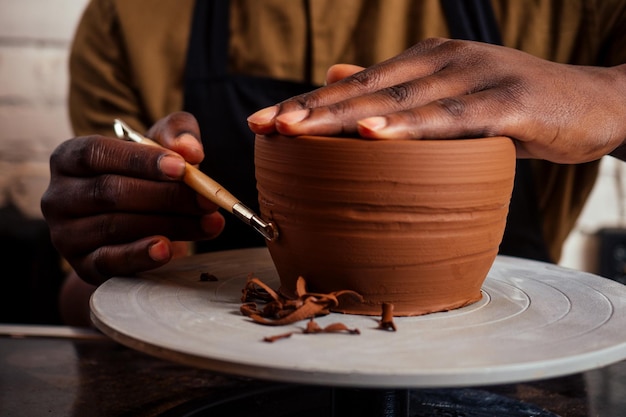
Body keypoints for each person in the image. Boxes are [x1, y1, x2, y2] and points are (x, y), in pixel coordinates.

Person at [41, 0, 626, 326]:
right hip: (224, 385)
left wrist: (612, 98)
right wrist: (107, 259)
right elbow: (85, 307)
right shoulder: (132, 16)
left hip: (509, 376)